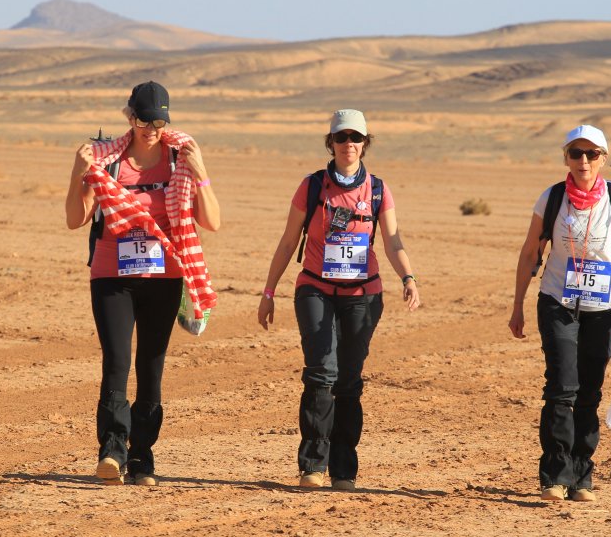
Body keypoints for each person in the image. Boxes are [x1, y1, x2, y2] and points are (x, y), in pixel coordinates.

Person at [65, 81, 220, 486]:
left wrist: (201, 172)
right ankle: (112, 451)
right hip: (112, 276)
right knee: (116, 362)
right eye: (143, 120)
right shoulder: (108, 161)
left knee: (151, 366)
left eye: (158, 122)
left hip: (163, 277)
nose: (150, 129)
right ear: (129, 117)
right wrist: (78, 172)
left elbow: (212, 221)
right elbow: (75, 219)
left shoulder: (178, 162)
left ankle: (141, 456)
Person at [258, 109, 420, 491]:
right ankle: (312, 465)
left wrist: (409, 277)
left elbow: (393, 241)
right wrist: (268, 292)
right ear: (330, 143)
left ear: (365, 144)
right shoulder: (313, 186)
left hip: (363, 295)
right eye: (342, 137)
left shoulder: (377, 190)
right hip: (315, 289)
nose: (349, 144)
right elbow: (288, 240)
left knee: (348, 378)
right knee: (321, 372)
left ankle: (344, 468)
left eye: (356, 138)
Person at [508, 125, 611, 502]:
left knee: (589, 389)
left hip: (605, 309)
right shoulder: (553, 198)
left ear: (603, 159)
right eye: (576, 153)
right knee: (561, 386)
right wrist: (518, 305)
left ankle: (581, 475)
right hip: (557, 301)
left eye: (591, 154)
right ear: (566, 159)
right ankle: (555, 476)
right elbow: (530, 251)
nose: (583, 161)